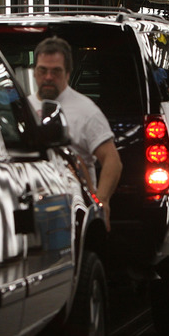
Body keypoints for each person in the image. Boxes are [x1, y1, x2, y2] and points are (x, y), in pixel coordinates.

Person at [28, 36, 122, 230]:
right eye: (42, 70)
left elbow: (112, 161)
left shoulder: (86, 111)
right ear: (34, 71)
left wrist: (101, 202)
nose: (48, 77)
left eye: (56, 71)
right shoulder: (23, 109)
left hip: (76, 212)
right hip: (33, 209)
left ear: (68, 73)